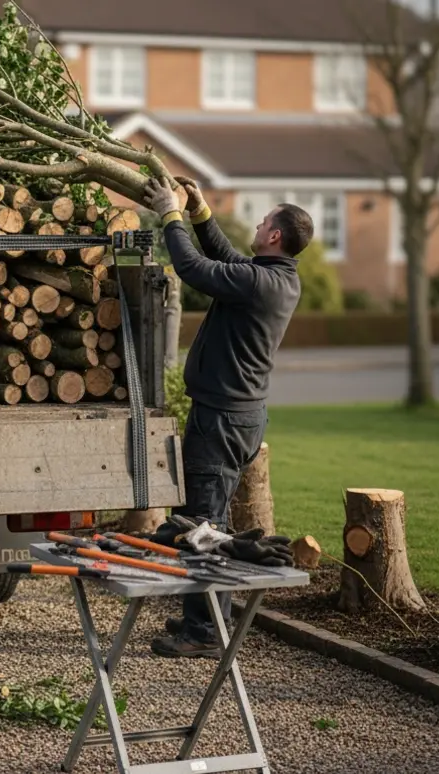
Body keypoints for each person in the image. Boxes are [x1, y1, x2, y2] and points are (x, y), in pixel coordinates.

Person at [140, 176, 308, 658]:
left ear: (275, 235)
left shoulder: (259, 284)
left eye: (262, 223)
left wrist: (168, 213)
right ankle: (206, 615)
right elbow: (225, 256)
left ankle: (205, 634)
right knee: (210, 523)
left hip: (223, 422)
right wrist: (198, 212)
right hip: (235, 417)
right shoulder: (272, 276)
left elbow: (193, 268)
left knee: (201, 524)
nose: (256, 227)